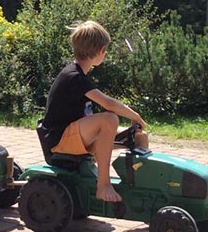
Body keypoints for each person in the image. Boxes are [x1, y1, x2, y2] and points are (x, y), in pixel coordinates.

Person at [39, 21, 149, 203]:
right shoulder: (73, 76)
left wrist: (136, 125)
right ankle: (103, 185)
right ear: (101, 50)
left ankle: (141, 191)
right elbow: (108, 104)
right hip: (59, 142)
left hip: (76, 136)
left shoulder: (79, 75)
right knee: (109, 119)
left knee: (138, 135)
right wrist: (136, 116)